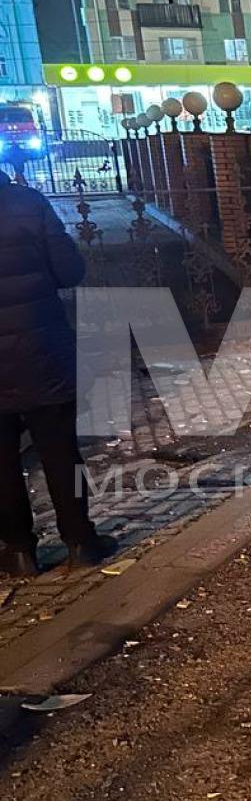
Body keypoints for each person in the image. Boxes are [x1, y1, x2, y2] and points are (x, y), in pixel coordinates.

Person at [0, 169, 117, 576]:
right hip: (39, 349)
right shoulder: (28, 203)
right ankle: (80, 541)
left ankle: (18, 551)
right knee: (59, 447)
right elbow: (70, 272)